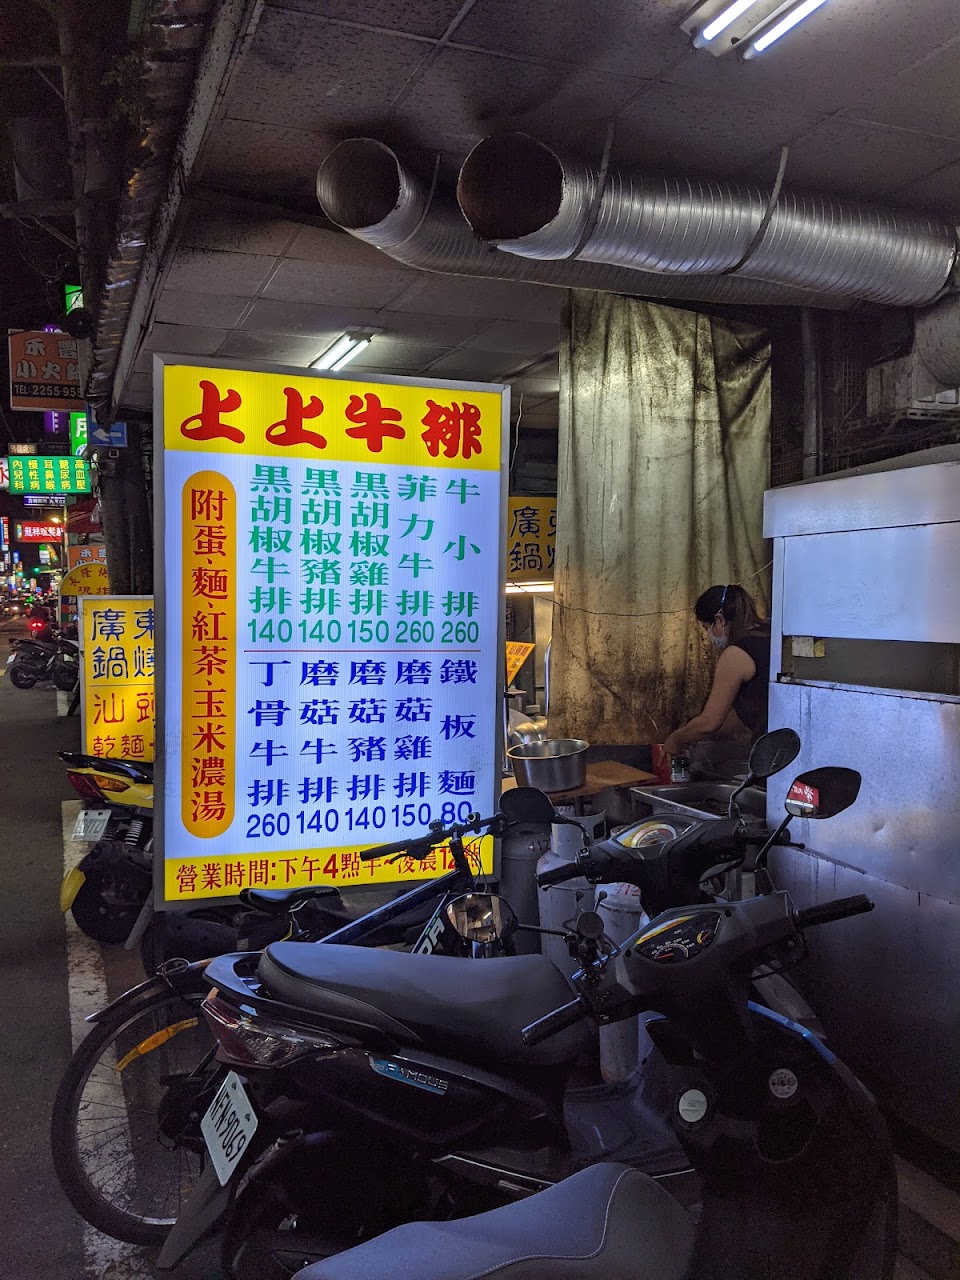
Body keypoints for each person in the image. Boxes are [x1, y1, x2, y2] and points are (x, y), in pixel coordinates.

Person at [662, 583, 770, 758]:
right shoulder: (770, 636)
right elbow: (744, 714)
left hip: (771, 750)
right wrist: (693, 732)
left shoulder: (736, 654)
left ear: (720, 620)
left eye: (707, 628)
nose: (709, 636)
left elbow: (709, 723)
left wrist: (676, 739)